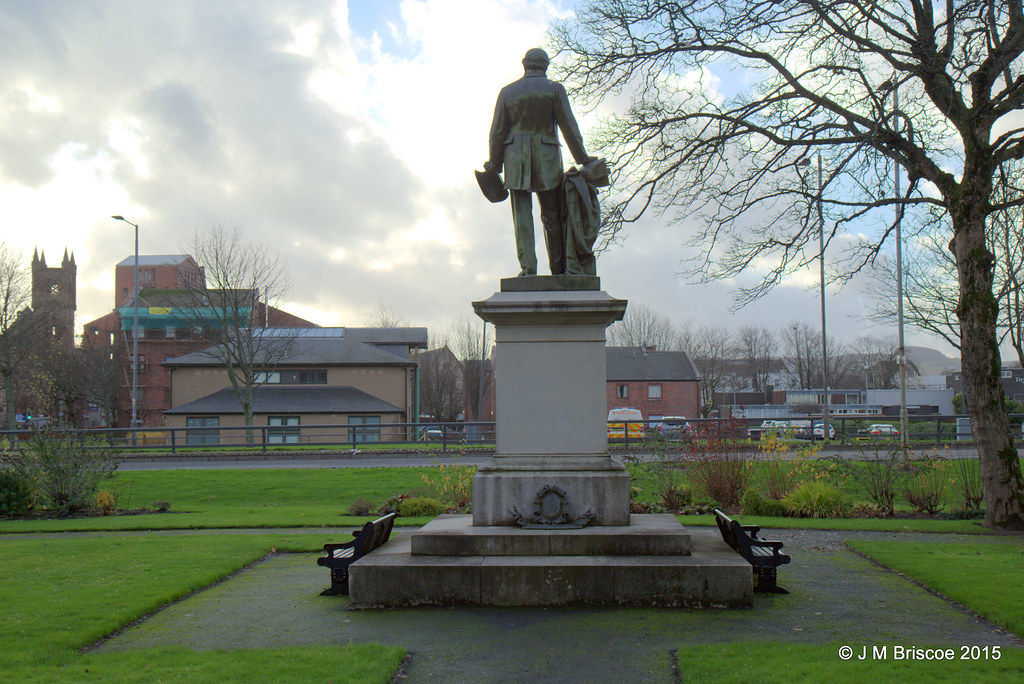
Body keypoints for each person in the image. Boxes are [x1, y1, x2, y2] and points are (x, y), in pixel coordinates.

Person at [487, 48, 590, 276]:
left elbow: (497, 133)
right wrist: (583, 159)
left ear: (524, 64)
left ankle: (528, 269)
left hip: (515, 159)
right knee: (552, 215)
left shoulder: (507, 92)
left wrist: (495, 164)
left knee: (522, 216)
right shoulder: (554, 89)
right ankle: (558, 269)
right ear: (546, 66)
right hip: (548, 159)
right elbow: (569, 128)